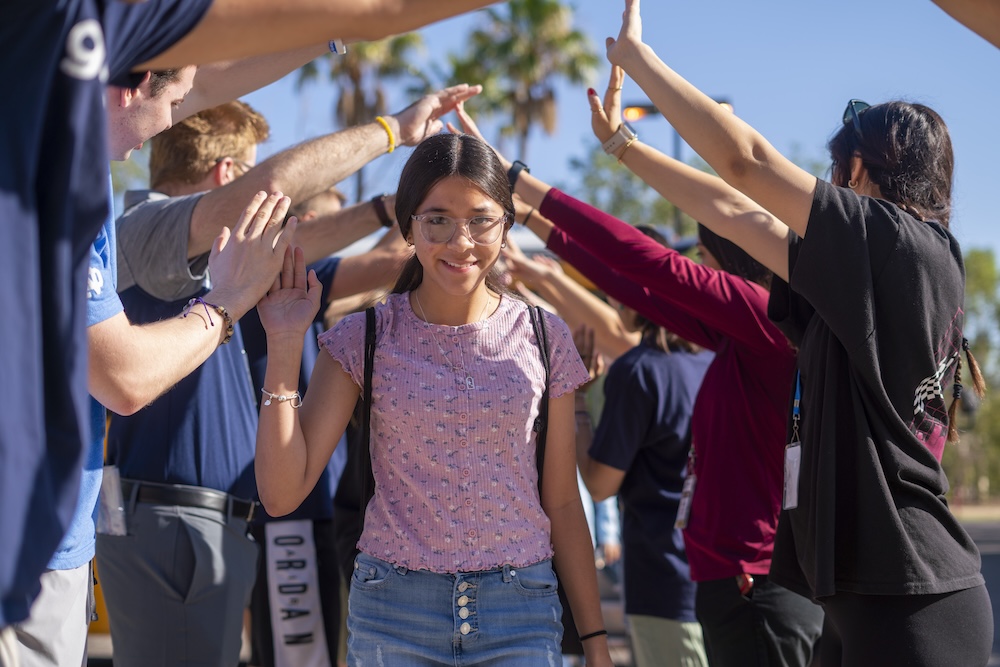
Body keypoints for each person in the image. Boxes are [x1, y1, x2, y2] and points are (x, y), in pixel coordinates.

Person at [0, 0, 498, 645]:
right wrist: (229, 300)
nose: (161, 125)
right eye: (168, 104)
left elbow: (195, 81)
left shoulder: (59, 145)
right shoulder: (142, 219)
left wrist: (334, 41)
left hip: (165, 519)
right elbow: (265, 189)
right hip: (143, 521)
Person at [606, 1, 993, 665]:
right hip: (856, 601)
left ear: (862, 173)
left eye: (835, 170)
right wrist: (624, 147)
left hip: (909, 603)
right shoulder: (868, 275)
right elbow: (735, 208)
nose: (826, 185)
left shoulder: (903, 249)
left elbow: (746, 161)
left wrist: (637, 59)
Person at [452, 98, 824, 666]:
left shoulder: (767, 319)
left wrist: (520, 181)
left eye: (703, 257)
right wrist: (528, 219)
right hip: (732, 582)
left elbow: (650, 264)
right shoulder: (740, 335)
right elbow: (633, 287)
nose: (697, 268)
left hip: (758, 588)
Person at [254, 133, 613, 667]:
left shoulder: (544, 336)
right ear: (409, 226)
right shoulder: (363, 337)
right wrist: (284, 345)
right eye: (437, 219)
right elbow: (282, 495)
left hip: (522, 612)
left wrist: (596, 644)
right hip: (392, 614)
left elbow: (561, 501)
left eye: (481, 219)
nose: (461, 241)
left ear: (507, 225)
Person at [97, 94, 418, 665]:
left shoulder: (211, 260)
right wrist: (391, 179)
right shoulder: (145, 231)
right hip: (175, 522)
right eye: (250, 174)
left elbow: (313, 254)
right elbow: (340, 257)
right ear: (228, 175)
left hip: (205, 521)